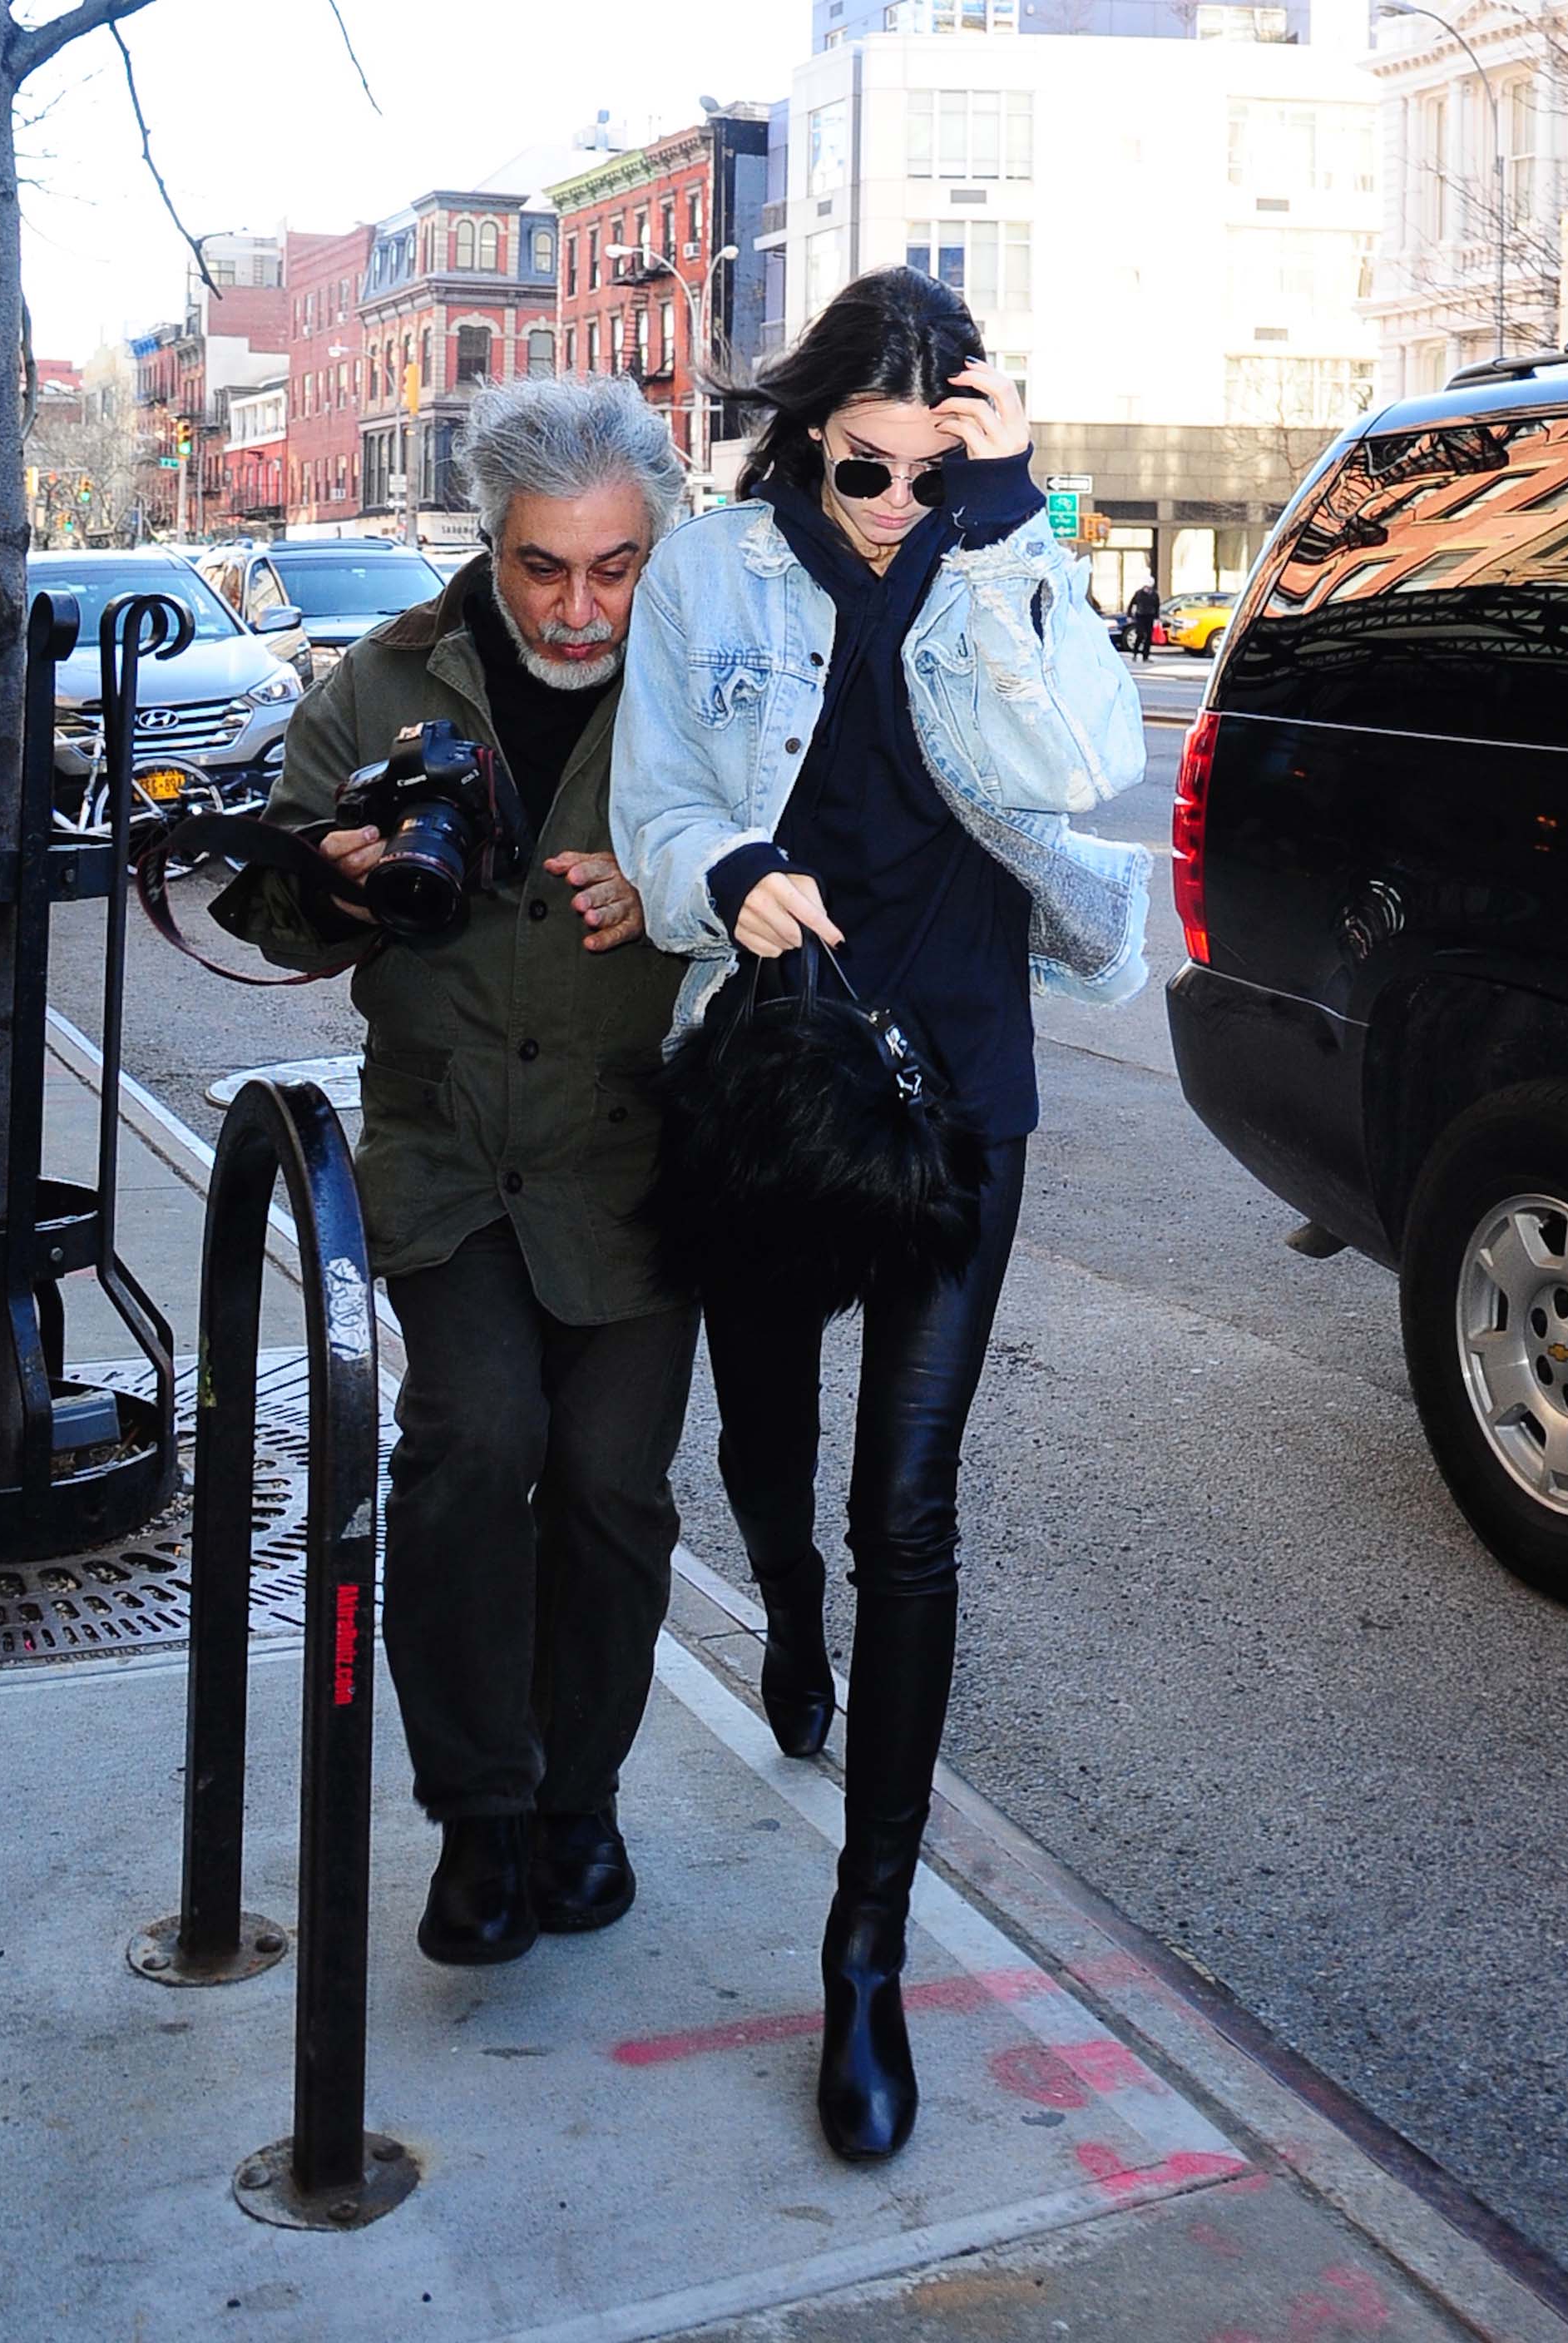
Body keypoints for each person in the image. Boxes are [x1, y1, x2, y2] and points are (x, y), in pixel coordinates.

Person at [611, 268, 1148, 2159]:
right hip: (780, 1083)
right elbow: (652, 807)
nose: (894, 504)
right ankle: (784, 1616)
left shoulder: (1000, 559)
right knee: (766, 1454)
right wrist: (725, 869)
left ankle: (866, 1947)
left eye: (934, 471)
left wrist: (1006, 531)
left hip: (962, 1094)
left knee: (903, 1505)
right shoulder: (710, 575)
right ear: (808, 433)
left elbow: (1082, 765)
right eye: (865, 466)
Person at [212, 374, 698, 1967]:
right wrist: (338, 885)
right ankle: (485, 1815)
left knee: (613, 1487)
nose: (579, 607)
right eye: (542, 566)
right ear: (488, 544)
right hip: (446, 1148)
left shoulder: (704, 683)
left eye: (615, 566)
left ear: (655, 548)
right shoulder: (380, 681)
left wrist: (682, 888)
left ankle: (580, 1805)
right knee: (473, 1445)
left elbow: (806, 848)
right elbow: (269, 903)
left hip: (639, 1152)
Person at [1126, 572, 1160, 661]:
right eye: (1147, 587)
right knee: (1140, 635)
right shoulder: (1138, 594)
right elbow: (1131, 604)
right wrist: (1129, 615)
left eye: (1149, 588)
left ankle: (1146, 656)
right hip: (1140, 616)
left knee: (1148, 636)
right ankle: (1135, 653)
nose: (1148, 589)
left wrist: (1157, 618)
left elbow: (1157, 606)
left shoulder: (1154, 595)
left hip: (1150, 617)